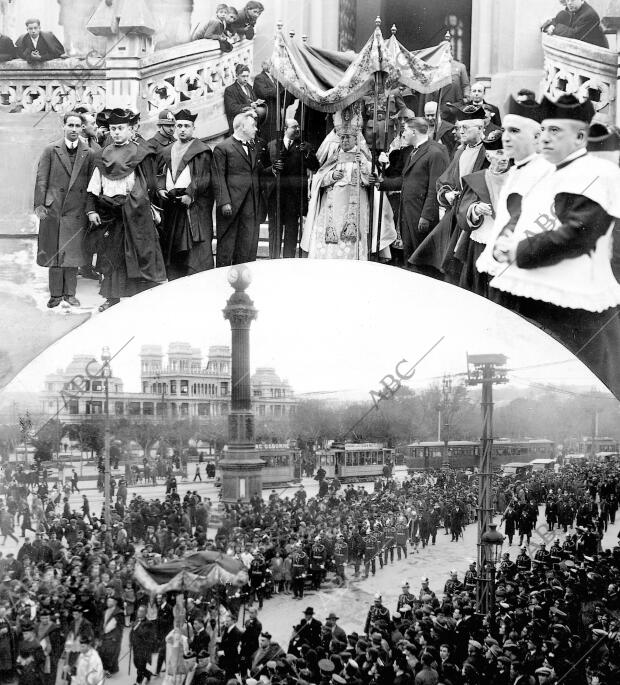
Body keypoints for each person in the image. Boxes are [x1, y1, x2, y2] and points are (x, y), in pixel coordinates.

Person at [487, 94, 620, 396]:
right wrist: (505, 239)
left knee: (581, 384)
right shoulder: (547, 170)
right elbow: (524, 212)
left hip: (574, 298)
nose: (544, 138)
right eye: (543, 130)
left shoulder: (597, 173)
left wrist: (520, 251)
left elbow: (578, 233)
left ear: (581, 136)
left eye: (555, 131)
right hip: (534, 290)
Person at [86, 108, 167, 312]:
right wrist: (91, 210)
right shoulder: (102, 155)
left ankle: (141, 297)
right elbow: (94, 187)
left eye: (121, 128)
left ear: (131, 130)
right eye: (113, 129)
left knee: (139, 254)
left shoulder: (140, 153)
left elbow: (146, 186)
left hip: (135, 213)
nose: (116, 132)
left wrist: (134, 204)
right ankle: (112, 297)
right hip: (110, 214)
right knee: (112, 255)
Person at [409, 105, 488, 278]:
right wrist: (447, 193)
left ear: (481, 128)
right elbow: (445, 181)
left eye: (465, 128)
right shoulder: (460, 152)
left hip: (477, 217)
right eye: (460, 128)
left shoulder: (488, 152)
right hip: (456, 214)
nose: (461, 132)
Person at [35, 112, 96, 309]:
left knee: (72, 254)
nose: (73, 129)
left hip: (76, 211)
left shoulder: (89, 153)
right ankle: (55, 295)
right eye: (70, 125)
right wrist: (40, 205)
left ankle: (70, 294)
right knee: (54, 253)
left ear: (82, 128)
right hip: (54, 210)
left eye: (77, 126)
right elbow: (41, 179)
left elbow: (90, 186)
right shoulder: (50, 150)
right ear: (63, 126)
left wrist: (89, 209)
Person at [376, 117, 449, 266]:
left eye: (405, 131)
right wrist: (382, 182)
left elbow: (435, 187)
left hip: (421, 214)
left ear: (414, 132)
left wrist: (426, 216)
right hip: (408, 212)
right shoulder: (414, 152)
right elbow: (405, 180)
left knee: (421, 258)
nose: (403, 135)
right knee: (409, 255)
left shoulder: (435, 152)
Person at [302, 107, 373, 259]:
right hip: (332, 206)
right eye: (342, 137)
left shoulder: (362, 157)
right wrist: (332, 176)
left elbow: (370, 181)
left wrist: (363, 165)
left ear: (356, 138)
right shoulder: (334, 157)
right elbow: (319, 179)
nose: (345, 140)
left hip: (355, 205)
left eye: (348, 137)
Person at [447, 129, 511, 297]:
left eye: (506, 152)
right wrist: (475, 209)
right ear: (489, 157)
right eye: (499, 153)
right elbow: (463, 211)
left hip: (506, 244)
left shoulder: (518, 178)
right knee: (478, 290)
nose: (504, 157)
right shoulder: (477, 179)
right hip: (481, 242)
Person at [156, 109, 214, 280]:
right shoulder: (167, 150)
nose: (182, 129)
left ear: (193, 128)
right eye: (179, 125)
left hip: (192, 205)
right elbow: (159, 174)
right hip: (172, 204)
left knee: (195, 247)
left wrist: (190, 194)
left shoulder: (201, 150)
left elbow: (203, 177)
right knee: (173, 246)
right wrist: (160, 188)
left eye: (186, 126)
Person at [212, 111, 269, 266]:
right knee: (227, 247)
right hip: (231, 206)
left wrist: (273, 170)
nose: (256, 129)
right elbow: (218, 177)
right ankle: (222, 280)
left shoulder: (252, 148)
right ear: (242, 127)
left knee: (247, 246)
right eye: (253, 126)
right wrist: (224, 202)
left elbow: (257, 172)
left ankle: (244, 279)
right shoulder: (222, 148)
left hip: (251, 206)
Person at [264, 118, 320, 258]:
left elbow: (315, 166)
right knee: (275, 232)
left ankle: (288, 260)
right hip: (276, 196)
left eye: (298, 127)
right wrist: (273, 168)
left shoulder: (304, 146)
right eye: (294, 127)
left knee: (291, 232)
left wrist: (307, 153)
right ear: (285, 129)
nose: (297, 130)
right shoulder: (272, 146)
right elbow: (263, 170)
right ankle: (273, 259)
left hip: (293, 198)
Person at [542, 0, 608, 48]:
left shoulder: (589, 15)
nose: (569, 3)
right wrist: (552, 25)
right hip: (581, 51)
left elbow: (574, 35)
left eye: (572, 0)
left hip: (597, 56)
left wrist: (554, 29)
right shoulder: (573, 8)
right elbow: (559, 19)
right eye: (567, 0)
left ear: (582, 0)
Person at [223, 64, 263, 136]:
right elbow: (231, 108)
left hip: (252, 122)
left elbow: (252, 100)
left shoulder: (248, 86)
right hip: (239, 124)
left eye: (247, 76)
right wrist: (249, 105)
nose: (246, 79)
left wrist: (257, 102)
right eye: (243, 76)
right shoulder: (230, 90)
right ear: (237, 76)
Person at [252, 60, 279, 144]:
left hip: (276, 113)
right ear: (263, 66)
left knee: (276, 137)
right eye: (269, 64)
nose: (271, 66)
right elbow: (263, 93)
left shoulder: (274, 78)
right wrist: (277, 91)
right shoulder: (259, 77)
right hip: (267, 114)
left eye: (272, 64)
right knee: (267, 138)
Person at [129, 605, 155, 685]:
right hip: (136, 648)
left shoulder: (149, 624)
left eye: (141, 611)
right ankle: (148, 674)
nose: (138, 613)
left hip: (144, 649)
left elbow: (146, 635)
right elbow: (132, 633)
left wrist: (137, 627)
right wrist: (130, 642)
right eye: (138, 611)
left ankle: (138, 682)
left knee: (140, 666)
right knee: (136, 664)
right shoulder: (136, 621)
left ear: (145, 613)